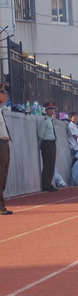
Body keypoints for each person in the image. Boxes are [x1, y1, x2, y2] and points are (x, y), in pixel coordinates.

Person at [37, 101, 59, 192]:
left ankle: (49, 183)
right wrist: (44, 142)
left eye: (52, 109)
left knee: (51, 164)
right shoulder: (44, 120)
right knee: (47, 164)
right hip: (47, 143)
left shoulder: (51, 120)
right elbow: (40, 134)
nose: (52, 111)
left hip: (52, 142)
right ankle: (46, 184)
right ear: (46, 110)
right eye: (49, 109)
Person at [0, 84, 13, 215]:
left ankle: (1, 204)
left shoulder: (1, 110)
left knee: (3, 176)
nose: (4, 96)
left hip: (4, 143)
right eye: (2, 93)